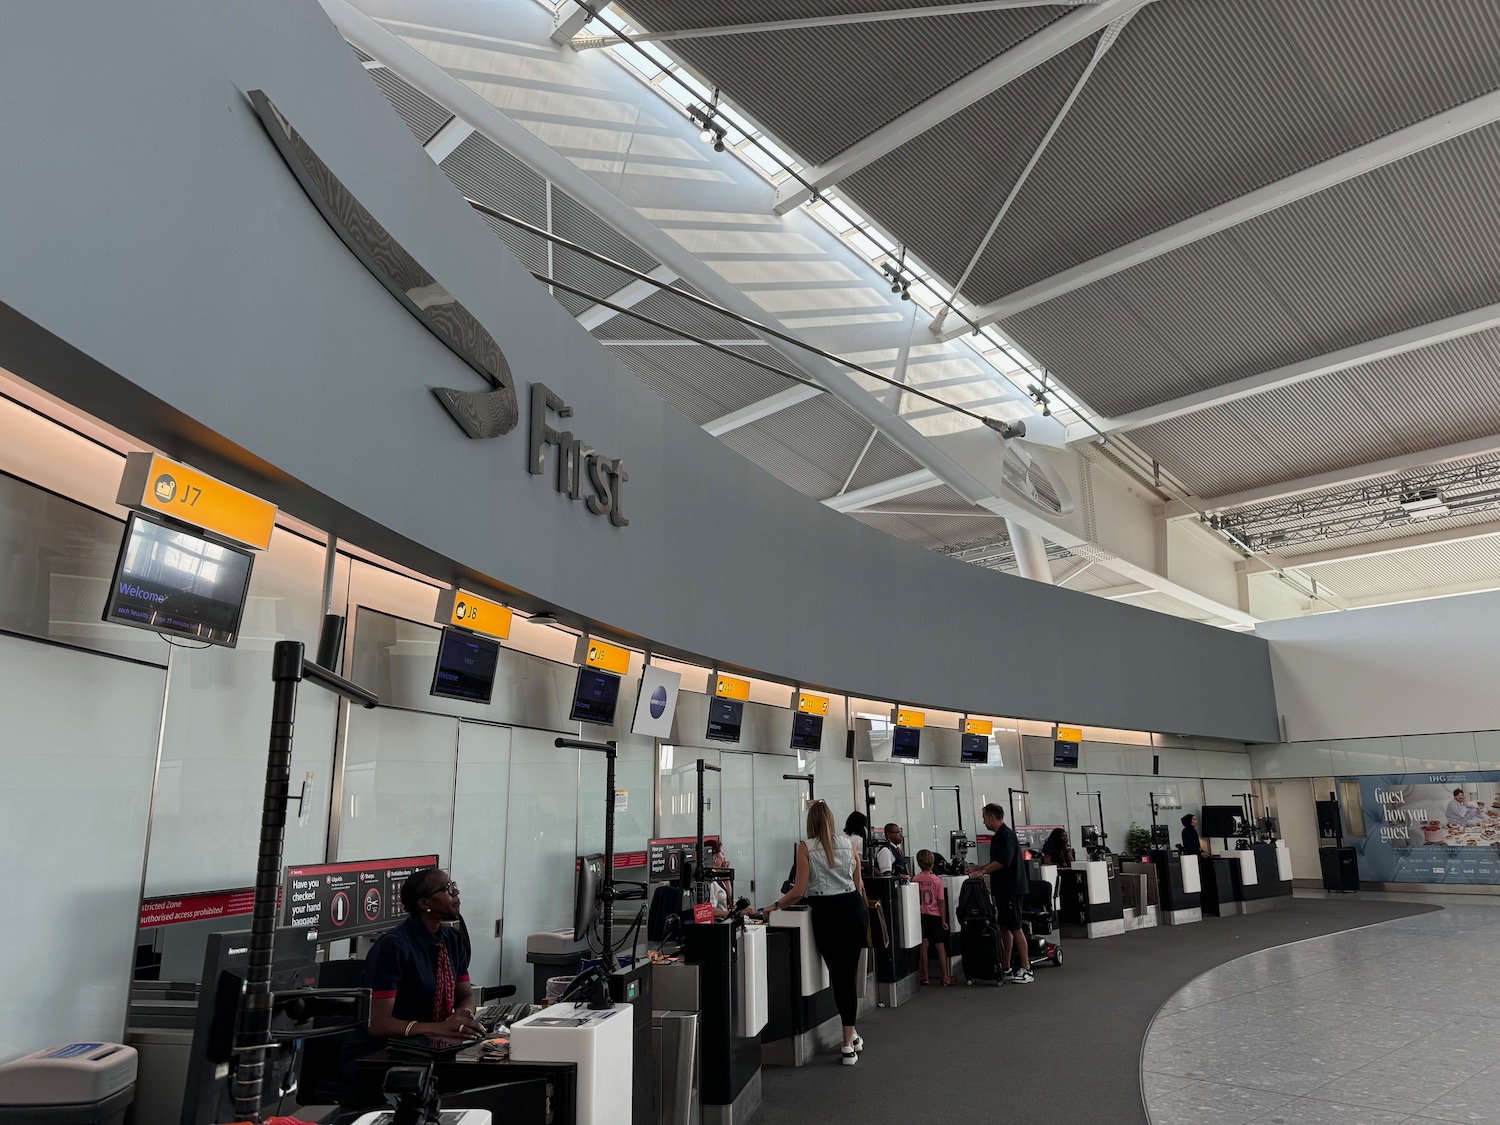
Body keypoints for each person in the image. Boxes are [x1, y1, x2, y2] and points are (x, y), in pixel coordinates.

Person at [339, 868, 482, 1090]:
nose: (456, 893)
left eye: (453, 885)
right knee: (461, 1081)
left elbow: (466, 995)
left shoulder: (452, 939)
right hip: (380, 1053)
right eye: (447, 889)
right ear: (424, 903)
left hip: (430, 1046)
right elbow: (377, 1023)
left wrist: (463, 1017)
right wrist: (438, 1028)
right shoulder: (394, 946)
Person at [763, 800, 868, 1066]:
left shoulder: (805, 847)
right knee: (848, 973)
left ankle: (847, 1043)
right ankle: (851, 1034)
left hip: (827, 914)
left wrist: (773, 907)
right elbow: (859, 885)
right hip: (853, 911)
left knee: (838, 974)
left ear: (810, 823)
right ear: (832, 820)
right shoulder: (850, 844)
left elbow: (798, 891)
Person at [965, 803, 1032, 983]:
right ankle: (1006, 965)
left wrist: (982, 872)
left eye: (985, 818)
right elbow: (995, 861)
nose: (984, 821)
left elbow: (1003, 861)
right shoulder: (997, 837)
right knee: (1004, 927)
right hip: (1003, 889)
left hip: (1012, 889)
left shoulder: (1006, 835)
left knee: (1015, 927)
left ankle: (1026, 968)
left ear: (992, 817)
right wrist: (977, 867)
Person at [912, 849, 954, 986]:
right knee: (940, 946)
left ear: (919, 863)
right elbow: (941, 901)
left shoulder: (915, 879)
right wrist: (944, 920)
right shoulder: (937, 880)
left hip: (921, 916)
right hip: (935, 916)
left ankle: (925, 976)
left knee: (924, 946)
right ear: (933, 862)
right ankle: (945, 977)